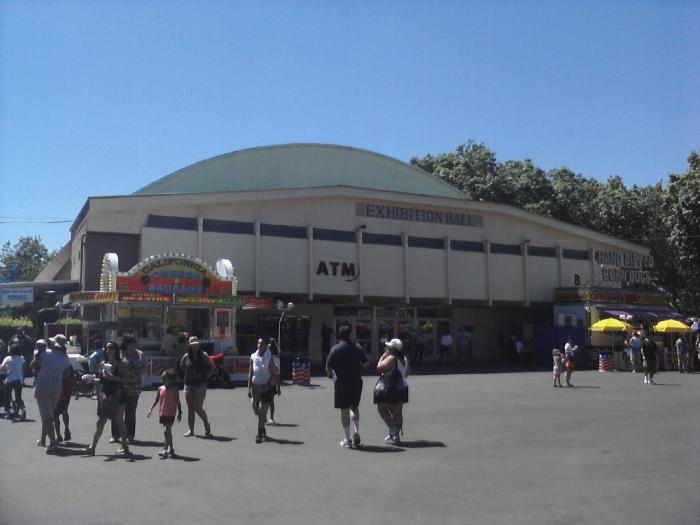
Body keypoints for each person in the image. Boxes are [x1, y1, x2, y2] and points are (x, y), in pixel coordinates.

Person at [84, 341, 131, 456]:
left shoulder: (121, 364)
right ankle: (92, 447)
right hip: (105, 395)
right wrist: (92, 380)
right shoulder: (103, 363)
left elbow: (127, 380)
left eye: (111, 348)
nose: (108, 350)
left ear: (116, 350)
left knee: (119, 422)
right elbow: (101, 380)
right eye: (107, 348)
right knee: (101, 421)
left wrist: (113, 377)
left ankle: (125, 446)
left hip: (118, 395)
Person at [326, 324, 368, 448]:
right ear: (350, 334)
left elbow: (328, 368)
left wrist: (331, 376)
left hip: (341, 383)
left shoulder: (335, 349)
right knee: (354, 407)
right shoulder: (358, 347)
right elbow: (366, 364)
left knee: (344, 409)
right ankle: (356, 432)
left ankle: (347, 439)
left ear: (339, 335)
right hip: (355, 381)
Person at [30, 334, 71, 453]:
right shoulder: (65, 358)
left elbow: (32, 365)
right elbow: (67, 374)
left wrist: (38, 353)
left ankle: (52, 442)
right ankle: (43, 439)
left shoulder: (45, 353)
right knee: (49, 414)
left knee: (46, 416)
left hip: (43, 385)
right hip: (57, 386)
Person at [111, 335, 146, 444]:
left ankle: (130, 435)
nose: (134, 345)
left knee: (130, 412)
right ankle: (115, 435)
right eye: (132, 343)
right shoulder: (120, 354)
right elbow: (113, 367)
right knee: (117, 411)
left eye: (135, 343)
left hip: (134, 387)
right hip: (120, 386)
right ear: (127, 344)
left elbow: (145, 367)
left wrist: (139, 372)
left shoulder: (140, 354)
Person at [375, 338, 409, 445]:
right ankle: (396, 436)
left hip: (391, 387)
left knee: (381, 408)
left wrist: (382, 357)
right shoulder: (404, 359)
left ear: (393, 349)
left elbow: (379, 367)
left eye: (389, 347)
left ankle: (393, 430)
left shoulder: (391, 358)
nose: (387, 348)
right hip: (402, 388)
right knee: (397, 412)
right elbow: (407, 373)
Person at [180, 336, 214, 438]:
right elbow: (182, 366)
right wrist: (188, 374)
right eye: (192, 345)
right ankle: (191, 430)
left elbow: (212, 366)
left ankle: (206, 424)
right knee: (190, 408)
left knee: (197, 408)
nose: (195, 347)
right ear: (189, 346)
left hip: (200, 385)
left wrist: (206, 377)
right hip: (189, 384)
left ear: (198, 345)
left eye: (196, 345)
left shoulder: (203, 355)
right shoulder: (186, 356)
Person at [247, 337, 278, 443]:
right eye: (258, 343)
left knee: (261, 411)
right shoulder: (253, 357)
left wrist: (273, 386)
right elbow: (251, 373)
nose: (259, 345)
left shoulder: (269, 357)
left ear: (266, 345)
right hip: (255, 388)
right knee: (257, 411)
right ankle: (263, 430)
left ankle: (259, 434)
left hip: (266, 388)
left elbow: (274, 373)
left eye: (262, 343)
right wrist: (248, 387)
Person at [148, 368, 183, 458]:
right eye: (162, 379)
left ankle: (165, 450)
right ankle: (171, 449)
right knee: (166, 432)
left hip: (171, 413)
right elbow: (156, 400)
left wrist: (180, 412)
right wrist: (150, 409)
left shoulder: (175, 389)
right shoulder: (160, 388)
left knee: (167, 431)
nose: (162, 380)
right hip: (162, 412)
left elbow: (178, 401)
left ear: (170, 379)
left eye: (164, 379)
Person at [52, 342, 75, 442]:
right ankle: (63, 432)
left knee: (56, 414)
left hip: (62, 391)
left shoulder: (64, 363)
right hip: (65, 391)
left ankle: (61, 433)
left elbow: (66, 376)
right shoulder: (66, 362)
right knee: (63, 412)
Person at [1, 344, 26, 419]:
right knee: (18, 396)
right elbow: (23, 366)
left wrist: (6, 371)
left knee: (7, 396)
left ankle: (7, 412)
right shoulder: (21, 358)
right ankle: (23, 409)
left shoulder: (7, 358)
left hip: (10, 379)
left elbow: (2, 367)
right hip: (19, 379)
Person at [266, 340, 282, 426]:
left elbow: (278, 374)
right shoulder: (263, 358)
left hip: (272, 383)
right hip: (264, 383)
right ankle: (264, 417)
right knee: (264, 401)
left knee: (271, 401)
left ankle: (271, 417)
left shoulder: (276, 359)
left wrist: (278, 387)